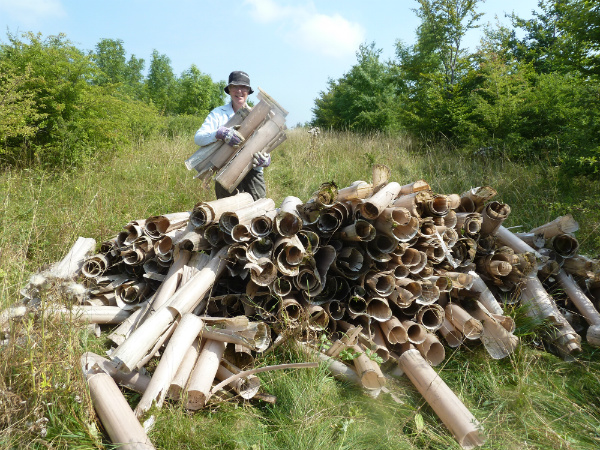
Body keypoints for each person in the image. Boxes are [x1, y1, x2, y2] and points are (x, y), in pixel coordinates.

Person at [194, 70, 270, 200]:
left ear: (248, 91)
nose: (239, 91)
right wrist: (219, 133)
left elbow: (266, 145)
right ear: (229, 89)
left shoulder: (259, 116)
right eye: (235, 87)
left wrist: (266, 160)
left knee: (260, 215)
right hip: (225, 173)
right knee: (229, 215)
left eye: (243, 87)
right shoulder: (218, 114)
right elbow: (199, 138)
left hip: (253, 173)